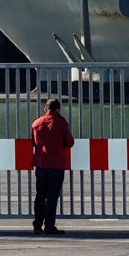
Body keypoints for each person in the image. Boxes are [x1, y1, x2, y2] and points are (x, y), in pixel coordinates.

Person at [31, 97, 74, 234]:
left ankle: (37, 226)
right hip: (56, 165)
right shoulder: (61, 123)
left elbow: (33, 142)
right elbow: (70, 142)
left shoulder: (36, 123)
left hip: (41, 164)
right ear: (58, 109)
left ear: (45, 109)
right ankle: (49, 226)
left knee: (40, 196)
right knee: (52, 197)